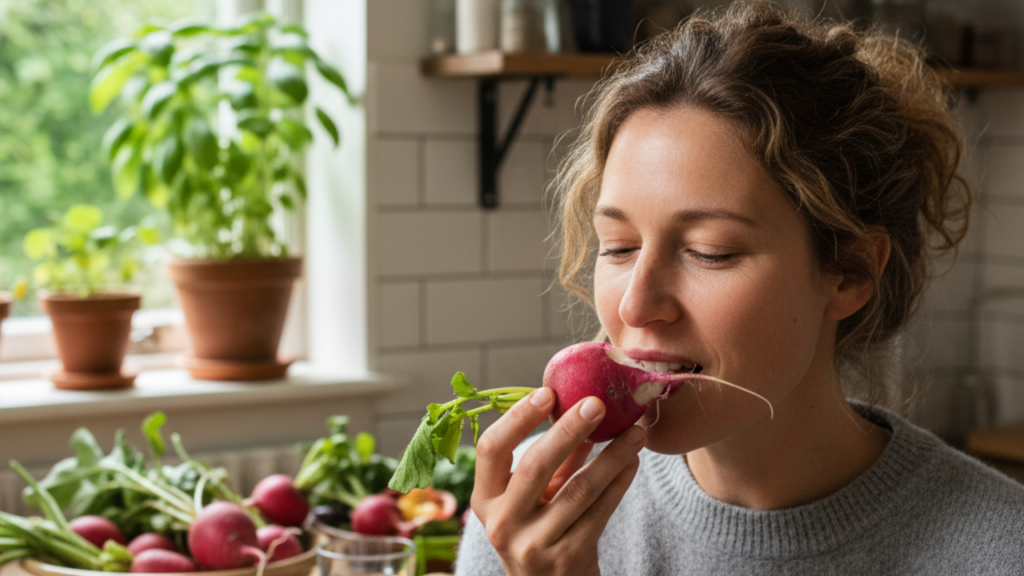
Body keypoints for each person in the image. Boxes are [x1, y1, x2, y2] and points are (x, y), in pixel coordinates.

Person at [453, 2, 1024, 575]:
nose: (635, 304)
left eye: (710, 253)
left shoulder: (999, 550)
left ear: (850, 272)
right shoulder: (526, 517)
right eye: (618, 247)